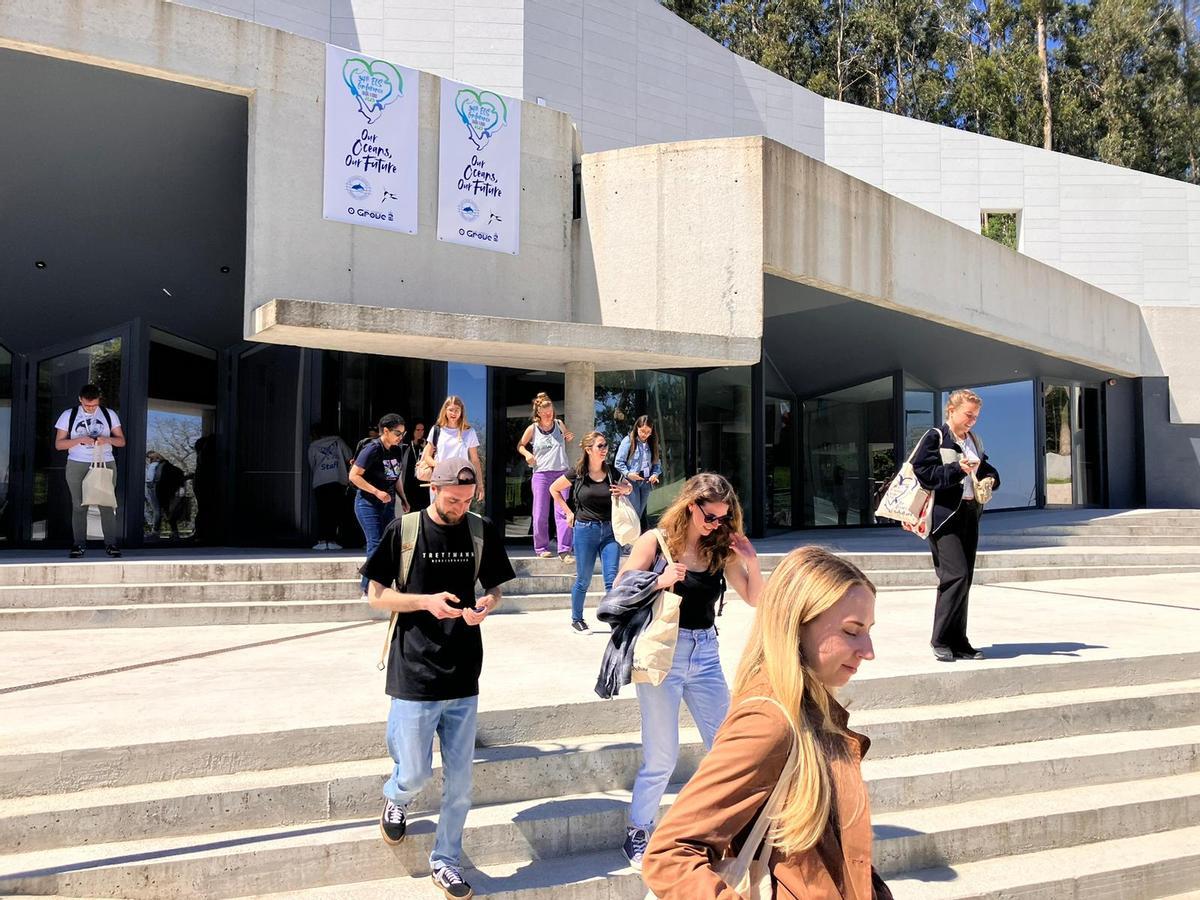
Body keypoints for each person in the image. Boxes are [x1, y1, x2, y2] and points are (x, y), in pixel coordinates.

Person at [642, 547, 892, 899]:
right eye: (852, 631)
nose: (868, 650)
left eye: (868, 630)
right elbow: (670, 852)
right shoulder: (769, 720)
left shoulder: (811, 709)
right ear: (797, 624)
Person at [363, 457, 515, 900]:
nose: (461, 507)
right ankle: (396, 795)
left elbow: (496, 590)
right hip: (414, 668)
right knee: (414, 772)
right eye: (453, 499)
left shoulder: (479, 530)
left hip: (464, 671)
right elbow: (376, 596)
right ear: (434, 489)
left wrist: (487, 604)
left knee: (462, 784)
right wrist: (425, 602)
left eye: (468, 500)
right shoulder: (405, 531)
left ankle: (445, 860)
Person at [618, 472, 764, 870]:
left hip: (706, 654)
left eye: (723, 517)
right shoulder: (656, 541)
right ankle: (639, 829)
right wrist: (658, 581)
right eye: (710, 516)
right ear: (690, 505)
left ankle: (726, 827)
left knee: (726, 747)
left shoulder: (721, 549)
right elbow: (618, 589)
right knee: (662, 755)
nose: (716, 524)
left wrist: (751, 560)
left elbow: (754, 598)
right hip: (663, 654)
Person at [912, 389, 1002, 663]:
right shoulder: (935, 437)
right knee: (955, 575)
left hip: (969, 513)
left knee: (966, 580)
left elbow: (984, 468)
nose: (972, 421)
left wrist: (992, 478)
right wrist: (956, 470)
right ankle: (940, 639)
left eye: (975, 416)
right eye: (968, 415)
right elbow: (923, 473)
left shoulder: (973, 439)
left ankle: (959, 641)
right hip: (944, 517)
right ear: (951, 410)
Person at [550, 432, 632, 635]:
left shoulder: (612, 471)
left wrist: (625, 489)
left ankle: (614, 620)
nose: (605, 449)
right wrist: (568, 513)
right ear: (588, 450)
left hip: (610, 531)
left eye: (606, 445)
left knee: (612, 578)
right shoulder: (577, 472)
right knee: (584, 579)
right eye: (600, 446)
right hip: (585, 531)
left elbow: (629, 487)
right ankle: (577, 619)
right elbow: (554, 489)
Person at [53, 383, 125, 558]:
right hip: (77, 462)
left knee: (106, 504)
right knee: (79, 505)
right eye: (87, 405)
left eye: (94, 405)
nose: (91, 408)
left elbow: (121, 441)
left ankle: (111, 544)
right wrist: (80, 440)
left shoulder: (109, 414)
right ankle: (78, 545)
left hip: (104, 462)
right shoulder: (68, 415)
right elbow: (59, 444)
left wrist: (106, 439)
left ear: (99, 401)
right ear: (80, 400)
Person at [349, 414, 411, 596]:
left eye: (403, 433)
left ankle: (377, 586)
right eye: (397, 433)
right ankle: (368, 589)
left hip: (388, 503)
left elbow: (395, 477)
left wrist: (403, 498)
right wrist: (376, 492)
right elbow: (354, 476)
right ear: (385, 431)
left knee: (388, 545)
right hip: (367, 503)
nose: (401, 437)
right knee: (375, 544)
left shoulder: (397, 450)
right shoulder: (372, 449)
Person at [516, 392, 574, 561]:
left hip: (561, 473)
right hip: (541, 474)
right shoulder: (532, 429)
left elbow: (567, 436)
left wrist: (568, 436)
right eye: (545, 412)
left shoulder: (559, 423)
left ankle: (565, 551)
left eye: (551, 411)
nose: (549, 414)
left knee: (562, 512)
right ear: (538, 413)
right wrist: (527, 454)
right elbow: (520, 445)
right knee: (540, 512)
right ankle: (541, 548)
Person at [418, 397, 485, 504]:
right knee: (439, 515)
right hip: (440, 479)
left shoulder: (469, 432)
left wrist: (480, 484)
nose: (454, 413)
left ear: (461, 412)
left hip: (462, 479)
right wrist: (440, 466)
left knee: (459, 513)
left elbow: (475, 460)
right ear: (445, 411)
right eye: (451, 410)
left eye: (457, 410)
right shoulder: (437, 430)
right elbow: (427, 456)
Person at [307, 423, 353, 550]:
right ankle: (332, 540)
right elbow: (349, 456)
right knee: (335, 511)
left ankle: (322, 541)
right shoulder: (338, 441)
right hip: (337, 480)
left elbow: (312, 463)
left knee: (322, 511)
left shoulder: (313, 446)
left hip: (320, 481)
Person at [614, 415, 661, 523]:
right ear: (637, 428)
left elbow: (657, 464)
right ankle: (629, 539)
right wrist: (628, 474)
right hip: (632, 481)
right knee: (632, 513)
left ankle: (635, 538)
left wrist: (655, 474)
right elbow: (618, 462)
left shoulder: (652, 443)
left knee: (638, 514)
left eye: (648, 432)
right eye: (642, 431)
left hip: (646, 481)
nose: (645, 434)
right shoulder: (628, 441)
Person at [154, 455, 188, 539]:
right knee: (171, 513)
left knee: (161, 512)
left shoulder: (162, 471)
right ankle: (175, 531)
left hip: (164, 494)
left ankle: (157, 531)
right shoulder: (177, 470)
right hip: (174, 494)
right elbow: (182, 483)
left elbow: (157, 482)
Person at [407, 421, 431, 511]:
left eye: (422, 430)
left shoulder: (426, 446)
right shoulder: (407, 446)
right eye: (418, 430)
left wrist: (426, 448)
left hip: (423, 484)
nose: (420, 432)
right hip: (410, 484)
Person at [144, 451, 162, 534]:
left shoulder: (153, 466)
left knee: (155, 509)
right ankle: (152, 526)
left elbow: (150, 479)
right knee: (153, 509)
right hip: (152, 487)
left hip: (150, 487)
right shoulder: (158, 465)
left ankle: (154, 528)